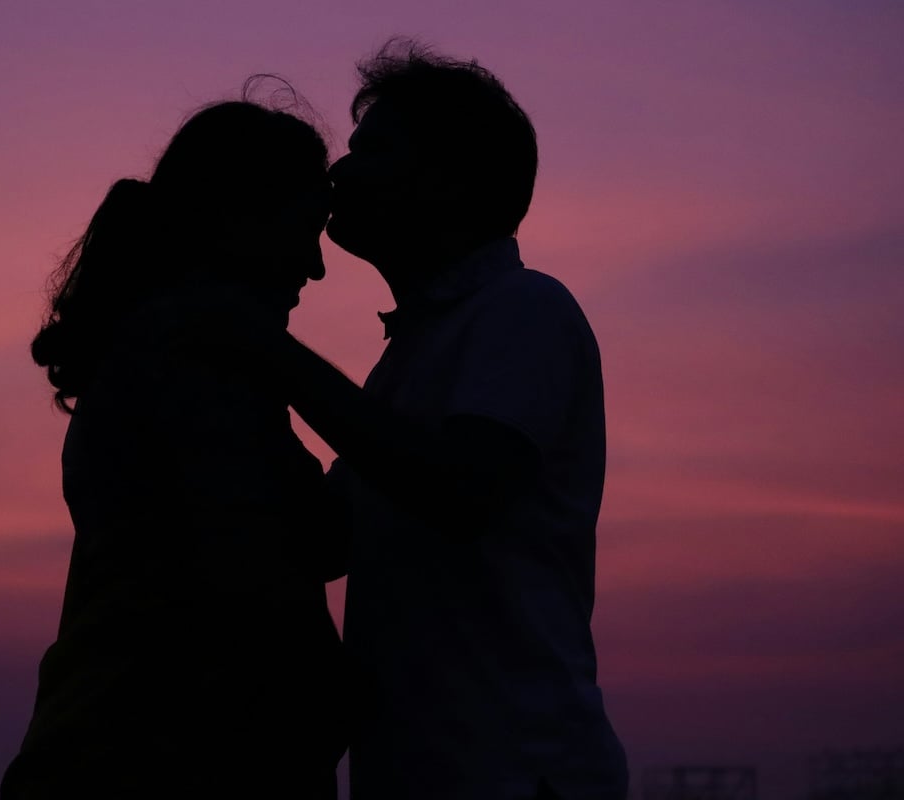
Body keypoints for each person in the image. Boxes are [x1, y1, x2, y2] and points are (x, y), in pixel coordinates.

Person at [252, 41, 628, 798]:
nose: (341, 172)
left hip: (518, 771)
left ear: (452, 181)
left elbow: (458, 491)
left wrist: (263, 350)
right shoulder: (418, 349)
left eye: (374, 151)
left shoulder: (525, 310)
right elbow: (328, 540)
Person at [0, 92, 347, 800]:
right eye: (305, 230)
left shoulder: (175, 353)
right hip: (153, 764)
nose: (315, 267)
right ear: (237, 221)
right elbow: (297, 547)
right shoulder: (191, 362)